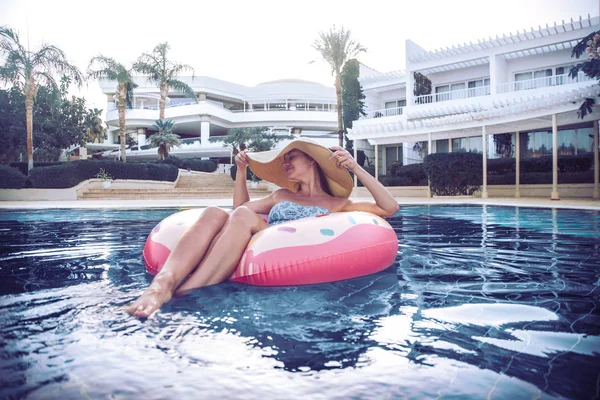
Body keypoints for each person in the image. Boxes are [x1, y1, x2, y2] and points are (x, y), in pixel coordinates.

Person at [125, 137, 399, 317]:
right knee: (213, 212)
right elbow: (239, 211)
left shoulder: (338, 204)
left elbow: (389, 208)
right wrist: (241, 172)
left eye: (292, 157)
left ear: (312, 161)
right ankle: (163, 284)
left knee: (241, 217)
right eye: (284, 159)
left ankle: (185, 292)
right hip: (261, 237)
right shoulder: (281, 195)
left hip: (292, 251)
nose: (285, 162)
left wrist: (356, 168)